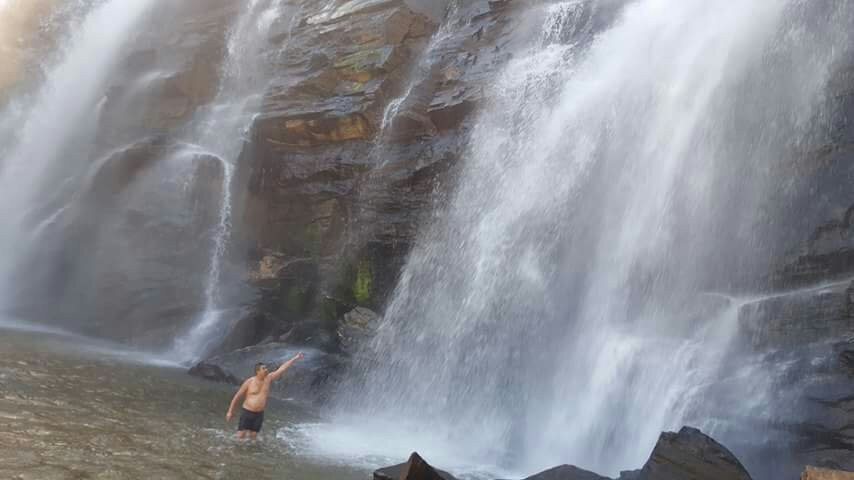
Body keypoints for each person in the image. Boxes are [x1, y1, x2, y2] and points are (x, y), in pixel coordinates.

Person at [225, 352, 304, 439]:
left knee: (253, 437)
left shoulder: (269, 378)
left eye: (266, 368)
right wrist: (230, 411)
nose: (266, 369)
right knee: (240, 436)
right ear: (258, 371)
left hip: (259, 414)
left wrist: (295, 358)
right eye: (264, 368)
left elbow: (282, 369)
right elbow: (237, 396)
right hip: (247, 412)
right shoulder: (249, 382)